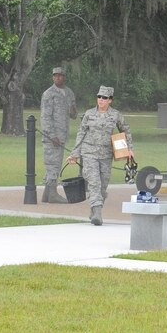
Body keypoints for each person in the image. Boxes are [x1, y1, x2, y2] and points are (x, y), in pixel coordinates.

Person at [67, 86, 134, 225]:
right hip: (89, 152)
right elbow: (81, 133)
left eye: (104, 98)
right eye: (99, 97)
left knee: (103, 185)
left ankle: (94, 208)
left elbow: (125, 131)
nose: (101, 100)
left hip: (106, 154)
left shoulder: (115, 115)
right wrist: (75, 154)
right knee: (94, 182)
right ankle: (97, 213)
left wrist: (129, 149)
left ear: (110, 100)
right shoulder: (89, 114)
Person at [39, 66, 77, 203]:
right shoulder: (48, 94)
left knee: (55, 163)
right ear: (52, 77)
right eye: (55, 75)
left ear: (64, 77)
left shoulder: (69, 93)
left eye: (60, 75)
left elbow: (73, 114)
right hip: (52, 137)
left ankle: (46, 194)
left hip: (63, 135)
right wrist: (51, 135)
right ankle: (53, 194)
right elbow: (45, 117)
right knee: (52, 164)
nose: (57, 77)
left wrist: (73, 111)